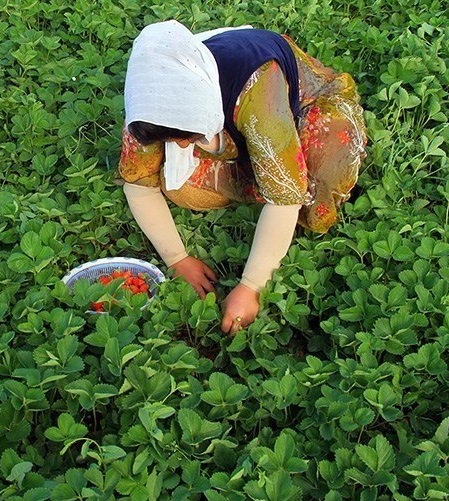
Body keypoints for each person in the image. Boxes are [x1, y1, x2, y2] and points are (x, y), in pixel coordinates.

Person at [119, 20, 367, 334]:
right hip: (237, 123)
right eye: (171, 139)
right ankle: (262, 169)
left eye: (184, 136)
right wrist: (177, 259)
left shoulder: (256, 87)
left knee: (317, 189)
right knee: (179, 187)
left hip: (303, 104)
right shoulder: (146, 103)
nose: (180, 145)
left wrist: (251, 287)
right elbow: (138, 183)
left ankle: (278, 167)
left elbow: (285, 198)